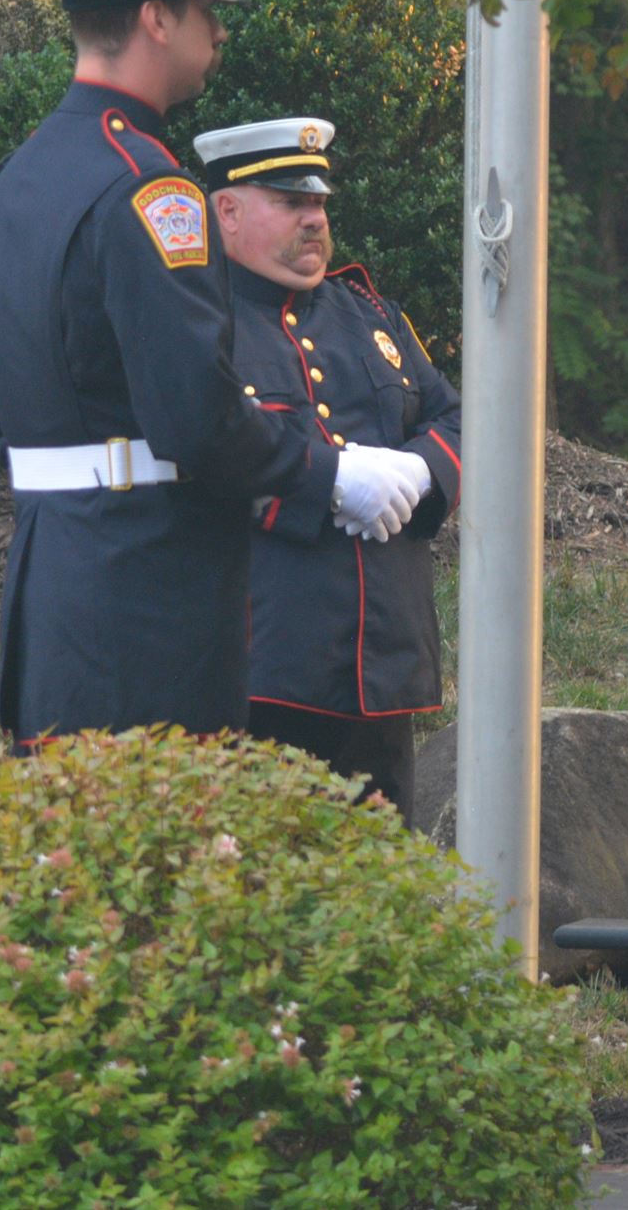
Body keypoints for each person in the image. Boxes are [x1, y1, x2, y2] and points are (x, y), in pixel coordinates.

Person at [0, 0, 432, 746]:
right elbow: (196, 419)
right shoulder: (152, 190)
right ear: (155, 18)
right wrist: (330, 473)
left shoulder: (18, 179)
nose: (218, 28)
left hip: (53, 583)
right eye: (205, 8)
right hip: (146, 604)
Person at [196, 117, 460, 821]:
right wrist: (330, 485)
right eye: (290, 202)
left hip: (384, 672)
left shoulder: (368, 312)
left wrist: (419, 474)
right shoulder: (200, 322)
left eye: (319, 202)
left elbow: (457, 417)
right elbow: (203, 449)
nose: (315, 219)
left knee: (383, 896)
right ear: (227, 210)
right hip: (268, 671)